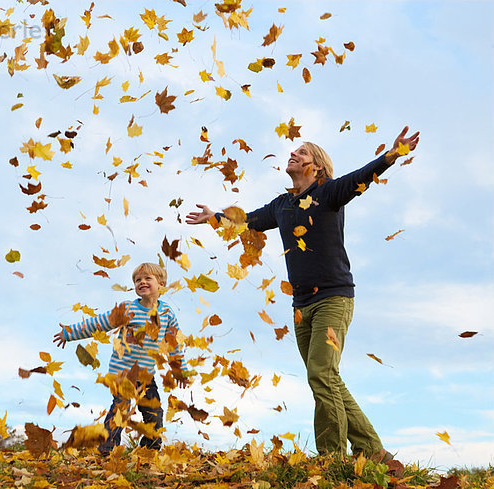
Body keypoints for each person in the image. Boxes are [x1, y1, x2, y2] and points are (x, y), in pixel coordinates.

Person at [186, 126, 420, 460]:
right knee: (326, 378)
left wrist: (393, 153)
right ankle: (372, 450)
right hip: (300, 307)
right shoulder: (282, 205)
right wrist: (215, 218)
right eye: (294, 151)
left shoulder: (329, 192)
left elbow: (363, 176)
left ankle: (332, 459)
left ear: (318, 166)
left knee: (321, 374)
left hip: (334, 299)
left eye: (303, 152)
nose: (293, 154)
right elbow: (249, 221)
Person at [53, 262, 190, 455]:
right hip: (122, 374)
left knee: (155, 416)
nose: (141, 282)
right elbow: (99, 323)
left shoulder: (167, 313)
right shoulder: (127, 309)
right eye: (137, 280)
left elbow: (174, 344)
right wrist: (70, 333)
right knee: (120, 412)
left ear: (161, 283)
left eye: (147, 278)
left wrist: (180, 371)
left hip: (145, 377)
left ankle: (149, 451)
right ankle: (107, 452)